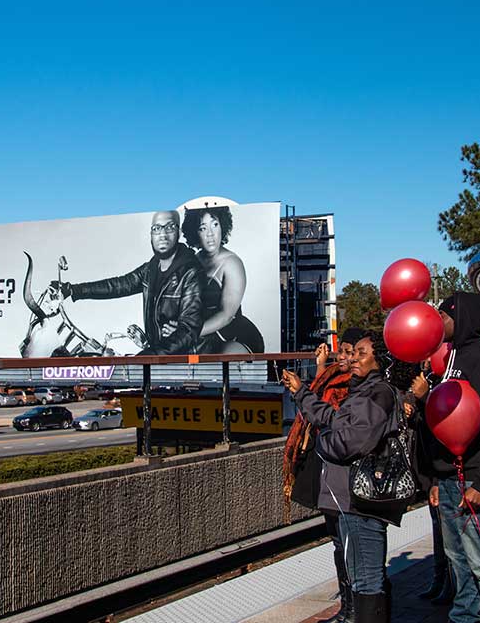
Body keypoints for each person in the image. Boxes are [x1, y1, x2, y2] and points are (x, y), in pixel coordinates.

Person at [282, 331, 400, 623]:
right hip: (348, 495)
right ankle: (351, 612)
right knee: (360, 572)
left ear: (380, 359)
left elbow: (349, 440)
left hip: (360, 497)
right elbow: (333, 419)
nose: (351, 359)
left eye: (360, 353)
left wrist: (321, 444)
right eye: (351, 352)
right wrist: (301, 393)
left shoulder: (377, 393)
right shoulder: (364, 391)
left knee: (366, 579)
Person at [422, 292, 480, 623]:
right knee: (458, 561)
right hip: (448, 481)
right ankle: (464, 618)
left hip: (476, 483)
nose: (438, 322)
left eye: (444, 316)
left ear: (461, 320)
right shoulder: (449, 361)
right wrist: (436, 479)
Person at [282, 328, 363, 623]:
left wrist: (304, 389)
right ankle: (348, 604)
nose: (341, 357)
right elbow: (318, 402)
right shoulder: (329, 376)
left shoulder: (358, 386)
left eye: (349, 351)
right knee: (338, 540)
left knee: (352, 542)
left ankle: (359, 606)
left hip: (348, 473)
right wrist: (317, 370)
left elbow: (326, 412)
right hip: (328, 469)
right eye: (340, 351)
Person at [51, 210, 203, 354]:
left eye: (169, 227)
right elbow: (118, 285)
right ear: (151, 234)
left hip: (183, 362)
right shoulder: (151, 268)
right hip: (157, 355)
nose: (162, 234)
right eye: (157, 228)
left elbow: (188, 330)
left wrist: (147, 356)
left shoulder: (190, 272)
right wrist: (72, 290)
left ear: (179, 232)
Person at [168, 205, 266, 354]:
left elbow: (226, 316)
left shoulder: (232, 263)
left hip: (234, 336)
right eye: (203, 228)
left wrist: (187, 333)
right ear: (195, 232)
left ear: (223, 226)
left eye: (214, 225)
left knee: (221, 361)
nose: (210, 234)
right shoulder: (192, 260)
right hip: (201, 336)